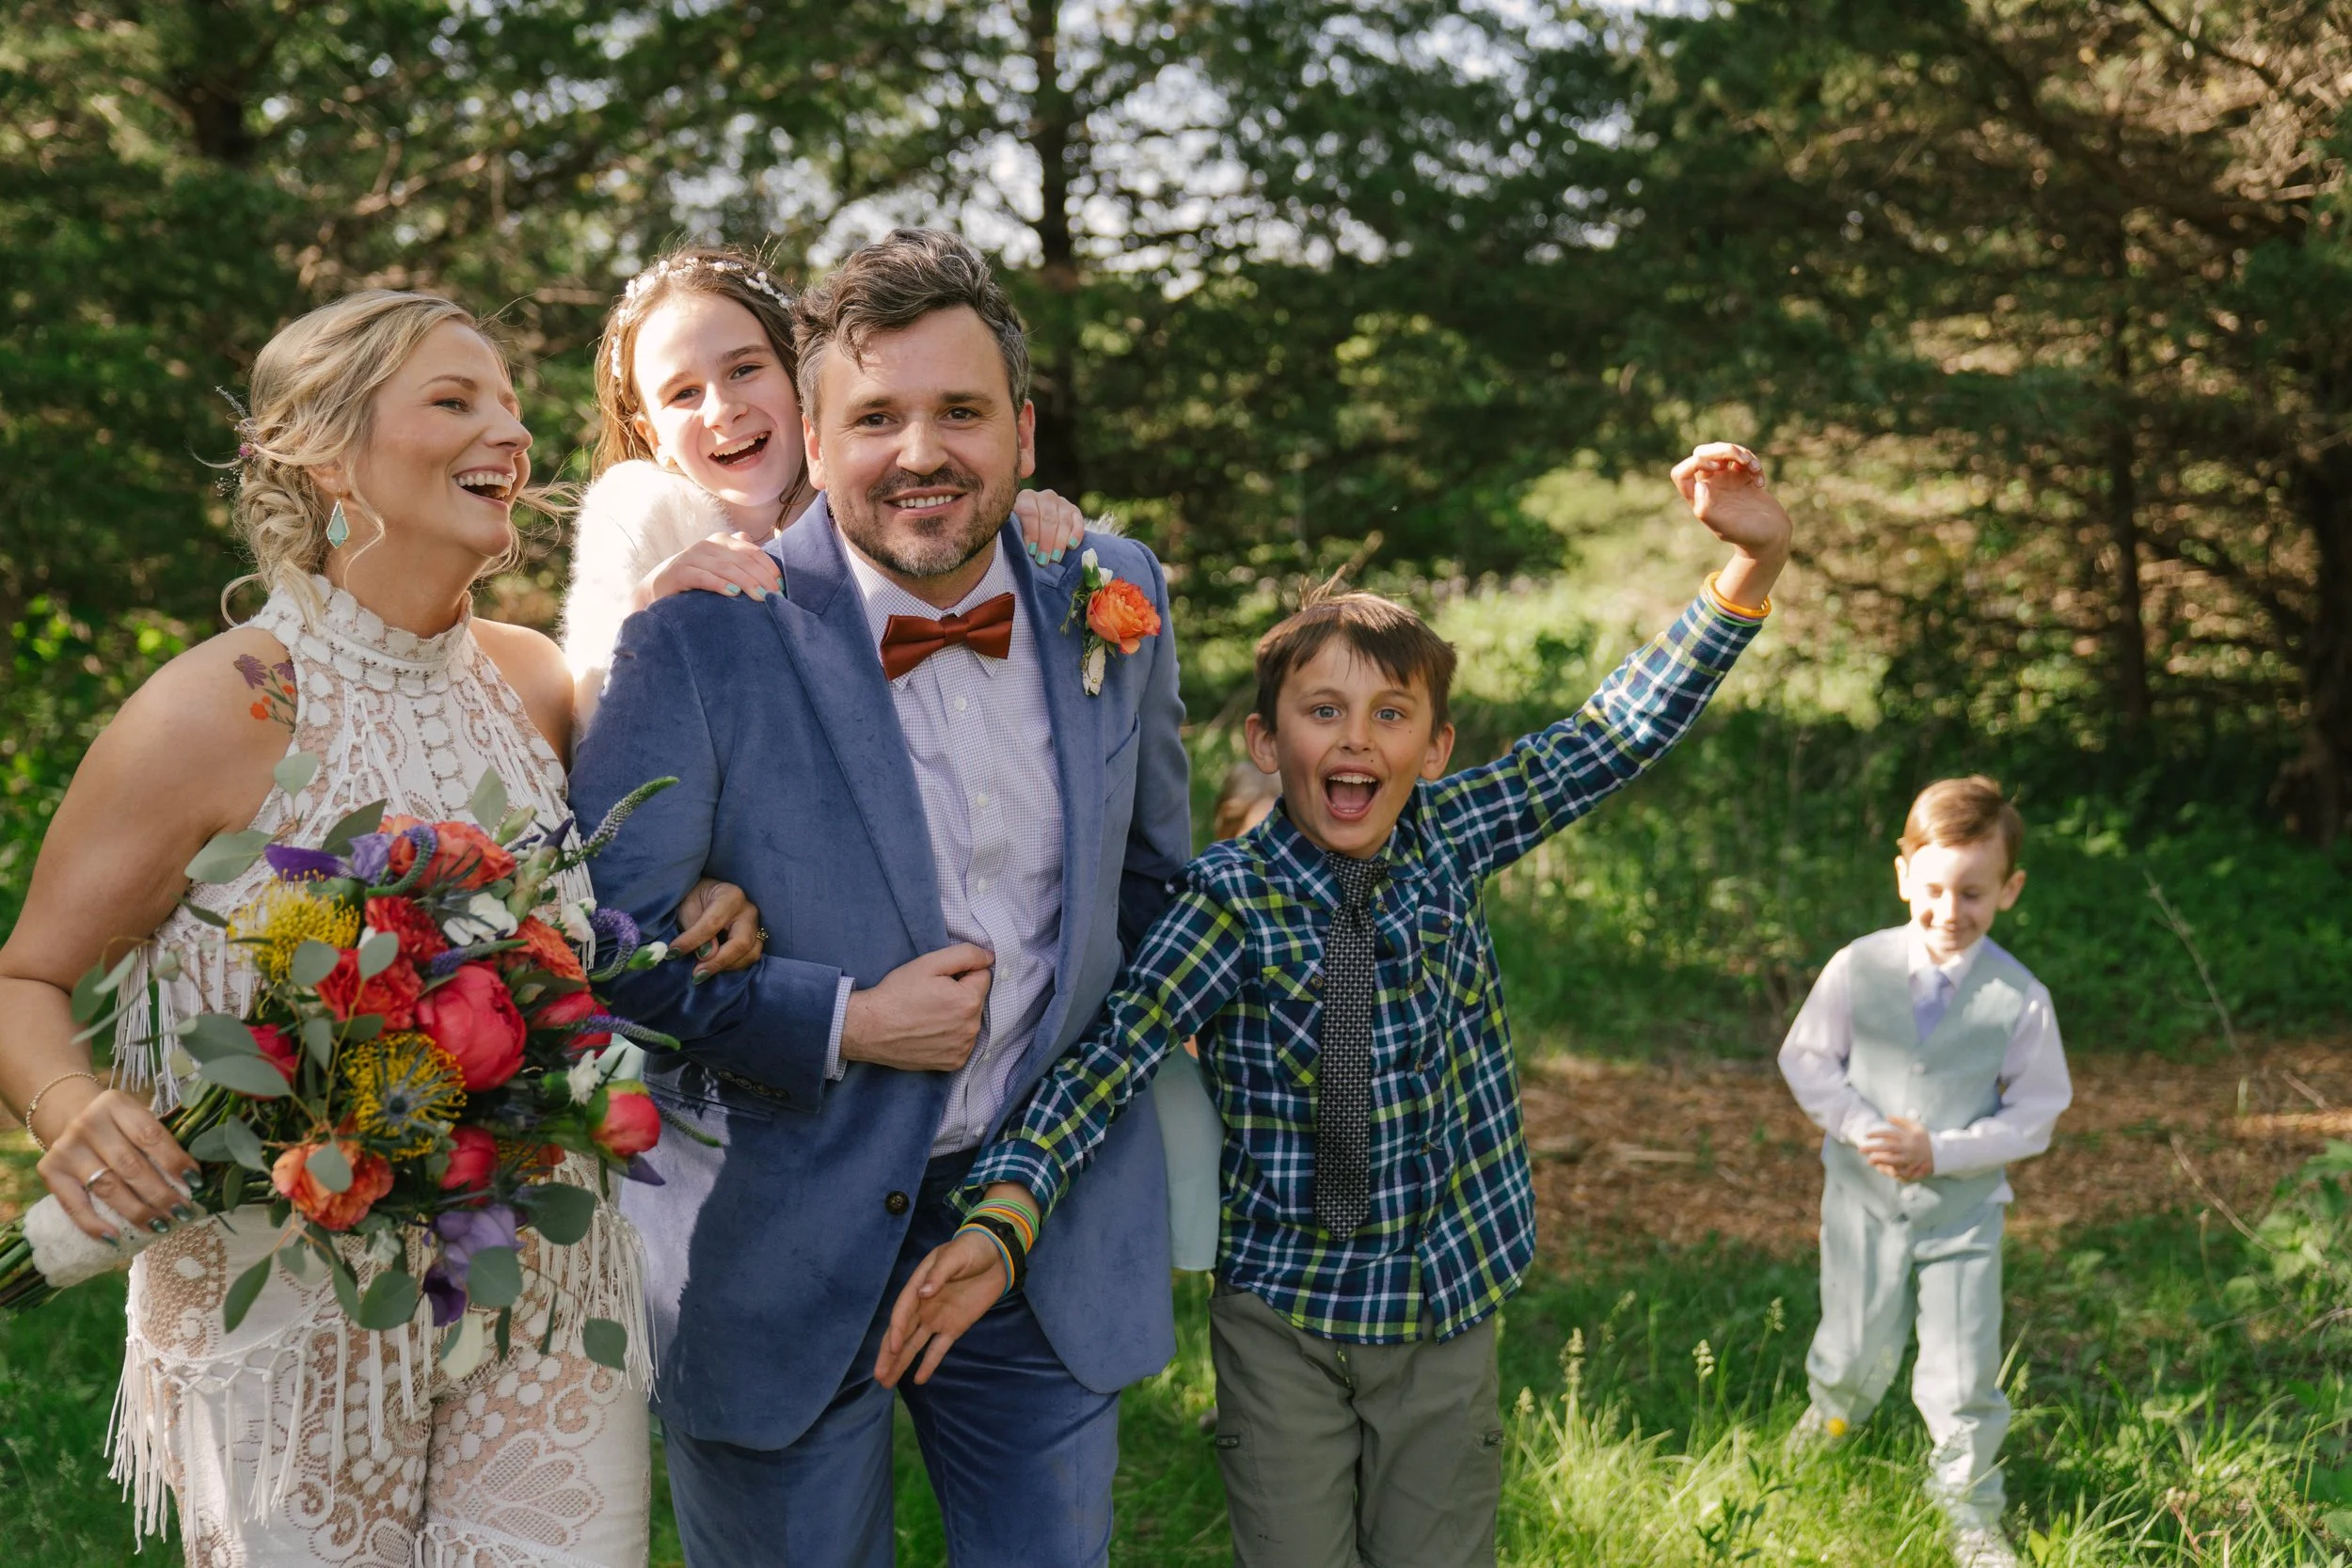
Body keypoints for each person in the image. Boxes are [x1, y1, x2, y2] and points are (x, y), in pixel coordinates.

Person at [880, 444, 1794, 1568]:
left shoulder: (1453, 835)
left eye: (1390, 712)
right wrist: (1001, 1214)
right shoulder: (1228, 900)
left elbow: (1607, 739)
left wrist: (1750, 563)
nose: (1356, 737)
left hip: (1445, 1299)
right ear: (1269, 743)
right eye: (1322, 710)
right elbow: (1104, 1059)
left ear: (1435, 745)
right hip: (1285, 1323)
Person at [0, 290, 766, 1561]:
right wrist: (68, 1105)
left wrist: (702, 897)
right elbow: (27, 974)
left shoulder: (537, 683)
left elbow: (609, 894)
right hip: (292, 1298)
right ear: (323, 452)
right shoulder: (213, 707)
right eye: (457, 400)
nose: (511, 434)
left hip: (540, 1281)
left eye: (513, 405)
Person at [570, 228, 1192, 1566]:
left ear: (1022, 430)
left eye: (960, 411)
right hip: (769, 1226)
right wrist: (842, 1018)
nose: (922, 452)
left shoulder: (1113, 594)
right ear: (815, 426)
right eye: (877, 417)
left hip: (1039, 1228)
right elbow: (604, 948)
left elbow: (1154, 887)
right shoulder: (697, 630)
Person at [560, 243, 1087, 731]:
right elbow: (597, 727)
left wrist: (1000, 518)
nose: (723, 411)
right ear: (652, 436)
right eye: (683, 394)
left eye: (745, 369)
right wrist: (646, 608)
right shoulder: (637, 539)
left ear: (800, 379)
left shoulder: (882, 498)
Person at [1776, 776, 2071, 1568]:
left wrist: (1942, 1149)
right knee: (1854, 1334)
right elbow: (1805, 1057)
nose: (1949, 910)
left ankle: (1972, 1512)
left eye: (1972, 892)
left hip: (1963, 1213)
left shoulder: (2020, 997)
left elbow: (2036, 1112)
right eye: (1933, 887)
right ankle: (1831, 1424)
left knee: (1963, 1362)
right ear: (1903, 873)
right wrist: (1862, 1124)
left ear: (2009, 890)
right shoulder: (1857, 966)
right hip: (1863, 1201)